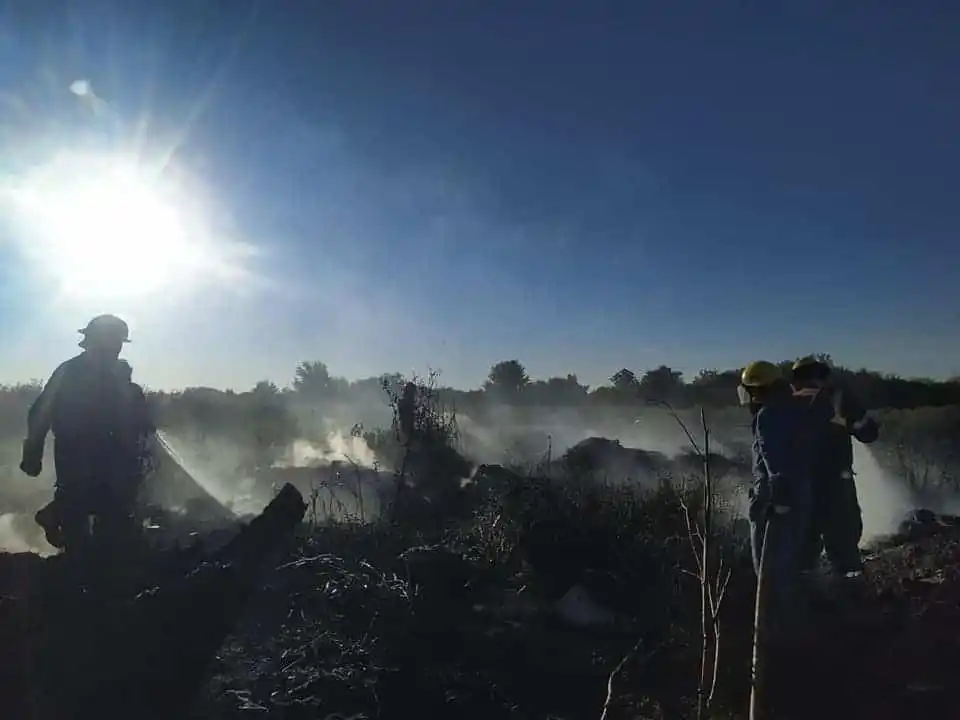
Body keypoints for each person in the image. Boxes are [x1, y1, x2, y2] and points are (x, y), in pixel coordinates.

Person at [20, 314, 154, 552]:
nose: (114, 348)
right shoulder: (69, 372)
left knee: (114, 509)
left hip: (115, 452)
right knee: (77, 510)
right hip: (75, 449)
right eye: (109, 341)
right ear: (92, 342)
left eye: (118, 343)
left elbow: (136, 416)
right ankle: (73, 560)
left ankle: (96, 557)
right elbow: (41, 410)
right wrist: (32, 451)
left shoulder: (121, 377)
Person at [738, 360, 821, 639]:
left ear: (757, 389)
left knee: (769, 573)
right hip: (801, 494)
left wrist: (779, 497)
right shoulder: (799, 409)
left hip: (773, 501)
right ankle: (798, 629)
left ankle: (777, 638)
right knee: (790, 565)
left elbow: (774, 460)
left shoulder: (768, 416)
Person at [791, 356, 879, 582]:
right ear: (822, 376)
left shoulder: (786, 402)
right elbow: (869, 434)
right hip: (836, 483)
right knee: (843, 540)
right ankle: (851, 590)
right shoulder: (838, 398)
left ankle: (805, 595)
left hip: (799, 483)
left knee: (803, 544)